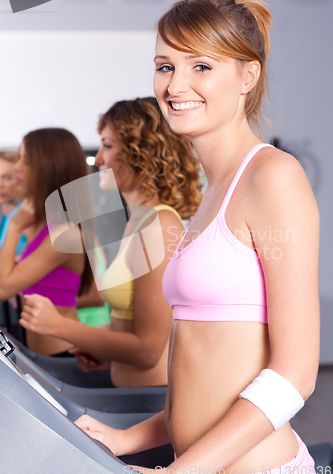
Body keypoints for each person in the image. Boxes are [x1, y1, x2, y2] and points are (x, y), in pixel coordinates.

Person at [71, 0, 319, 474]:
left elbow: (294, 375)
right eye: (165, 66)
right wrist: (127, 439)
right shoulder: (213, 193)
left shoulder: (273, 176)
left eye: (200, 66)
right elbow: (207, 377)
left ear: (248, 76)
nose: (175, 84)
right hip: (198, 468)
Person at [19, 97, 202, 388]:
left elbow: (148, 350)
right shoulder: (138, 222)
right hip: (128, 390)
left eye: (108, 145)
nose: (100, 160)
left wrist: (60, 325)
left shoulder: (158, 227)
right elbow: (132, 331)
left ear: (140, 152)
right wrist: (106, 353)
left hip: (146, 402)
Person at [0, 128, 94, 356]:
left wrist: (14, 225)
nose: (17, 167)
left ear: (49, 168)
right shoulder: (46, 224)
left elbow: (2, 287)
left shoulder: (65, 233)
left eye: (26, 160)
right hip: (41, 355)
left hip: (61, 355)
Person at [0, 151, 27, 255]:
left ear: (20, 179)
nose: (0, 184)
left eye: (6, 177)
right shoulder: (5, 210)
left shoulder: (28, 214)